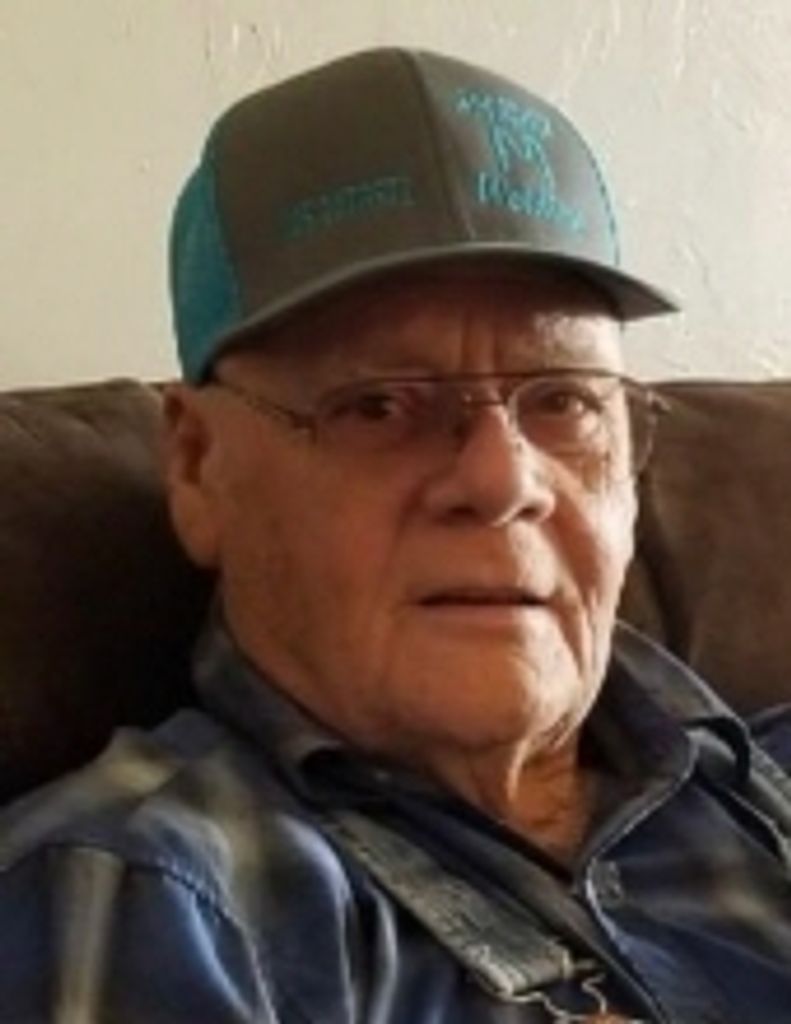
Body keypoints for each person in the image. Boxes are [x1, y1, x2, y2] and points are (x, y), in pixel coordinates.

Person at [2, 47, 791, 1024]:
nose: (502, 482)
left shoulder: (760, 776)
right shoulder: (150, 901)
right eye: (377, 406)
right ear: (199, 468)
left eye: (562, 401)